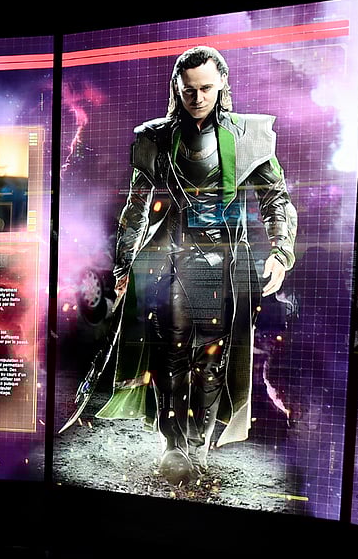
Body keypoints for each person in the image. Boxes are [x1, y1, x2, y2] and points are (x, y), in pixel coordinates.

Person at [71, 46, 298, 485]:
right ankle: (175, 446)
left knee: (212, 360)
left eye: (206, 88)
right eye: (189, 89)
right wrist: (122, 265)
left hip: (224, 263)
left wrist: (280, 252)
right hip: (171, 258)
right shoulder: (156, 138)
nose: (197, 97)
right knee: (171, 353)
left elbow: (276, 199)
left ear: (222, 86)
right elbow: (136, 208)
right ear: (177, 89)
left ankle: (196, 445)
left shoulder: (249, 135)